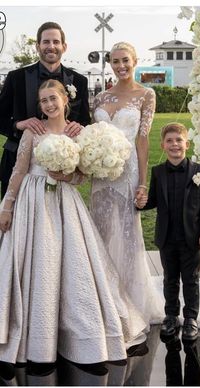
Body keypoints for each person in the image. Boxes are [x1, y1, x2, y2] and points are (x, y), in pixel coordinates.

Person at [0, 79, 147, 365]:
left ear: (65, 100)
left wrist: (70, 177)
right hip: (32, 200)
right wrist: (7, 206)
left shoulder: (77, 133)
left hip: (65, 203)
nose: (49, 105)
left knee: (71, 262)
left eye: (53, 98)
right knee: (35, 261)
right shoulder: (34, 132)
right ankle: (31, 333)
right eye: (43, 101)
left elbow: (82, 175)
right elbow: (19, 171)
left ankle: (72, 334)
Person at [91, 41, 163, 329]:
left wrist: (143, 183)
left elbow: (142, 140)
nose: (121, 66)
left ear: (135, 61)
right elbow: (92, 136)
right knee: (101, 233)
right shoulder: (99, 98)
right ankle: (105, 299)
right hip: (100, 175)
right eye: (115, 61)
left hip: (128, 170)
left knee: (128, 235)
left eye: (126, 61)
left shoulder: (146, 94)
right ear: (110, 64)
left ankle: (132, 300)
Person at [136, 122, 200, 341]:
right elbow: (153, 200)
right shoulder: (158, 172)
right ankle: (171, 316)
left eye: (178, 140)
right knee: (170, 278)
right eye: (169, 141)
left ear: (186, 144)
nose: (174, 144)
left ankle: (190, 318)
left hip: (191, 237)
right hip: (167, 236)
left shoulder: (199, 171)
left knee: (190, 279)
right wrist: (141, 202)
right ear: (162, 145)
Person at [0, 21, 91, 199]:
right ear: (38, 46)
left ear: (64, 47)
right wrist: (19, 124)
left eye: (56, 42)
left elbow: (85, 120)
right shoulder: (16, 78)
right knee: (12, 221)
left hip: (60, 167)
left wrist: (79, 127)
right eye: (46, 42)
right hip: (16, 160)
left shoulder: (79, 81)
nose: (51, 46)